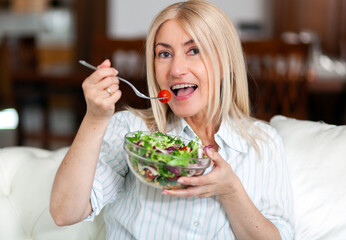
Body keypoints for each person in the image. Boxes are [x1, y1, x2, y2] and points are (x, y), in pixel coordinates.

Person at [50, 0, 294, 239]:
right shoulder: (130, 130)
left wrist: (231, 191)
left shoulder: (263, 143)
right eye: (164, 54)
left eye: (194, 50)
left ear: (225, 60)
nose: (176, 69)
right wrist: (94, 118)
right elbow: (65, 212)